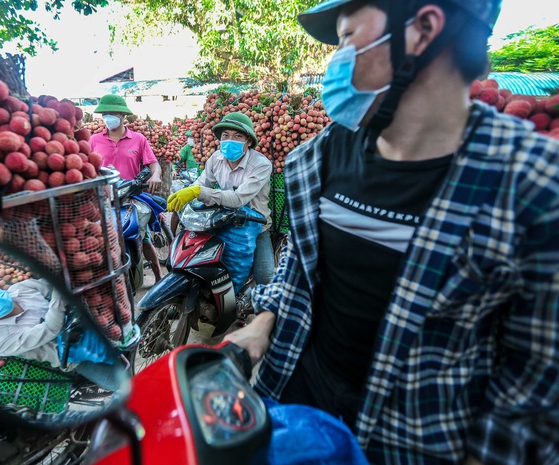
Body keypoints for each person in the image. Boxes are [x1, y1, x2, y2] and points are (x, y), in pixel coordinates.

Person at [224, 0, 559, 464]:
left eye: (345, 38)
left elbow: (535, 383)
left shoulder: (533, 184)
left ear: (423, 28)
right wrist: (261, 325)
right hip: (292, 401)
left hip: (413, 442)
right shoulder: (318, 158)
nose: (334, 60)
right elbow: (300, 266)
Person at [0, 274, 120, 393]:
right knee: (121, 384)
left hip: (81, 321)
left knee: (123, 332)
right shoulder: (1, 342)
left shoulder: (20, 288)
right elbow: (51, 328)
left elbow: (50, 286)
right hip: (75, 356)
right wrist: (60, 290)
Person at [167, 112, 274, 285]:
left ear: (248, 141)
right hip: (222, 220)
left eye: (237, 136)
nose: (230, 139)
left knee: (265, 277)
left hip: (255, 223)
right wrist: (184, 194)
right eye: (226, 135)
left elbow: (238, 199)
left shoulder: (261, 164)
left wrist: (198, 192)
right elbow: (201, 183)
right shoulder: (216, 158)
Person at [89, 94, 164, 282]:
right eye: (105, 114)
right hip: (102, 197)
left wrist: (155, 175)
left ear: (123, 116)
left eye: (112, 113)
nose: (108, 118)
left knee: (143, 237)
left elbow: (154, 164)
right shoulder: (94, 140)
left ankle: (158, 274)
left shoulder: (138, 139)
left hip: (130, 195)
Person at [170, 130, 199, 235]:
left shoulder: (205, 148)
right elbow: (177, 160)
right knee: (179, 205)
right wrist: (173, 169)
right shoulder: (187, 148)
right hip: (190, 180)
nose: (190, 139)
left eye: (192, 136)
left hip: (203, 182)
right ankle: (171, 234)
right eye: (189, 137)